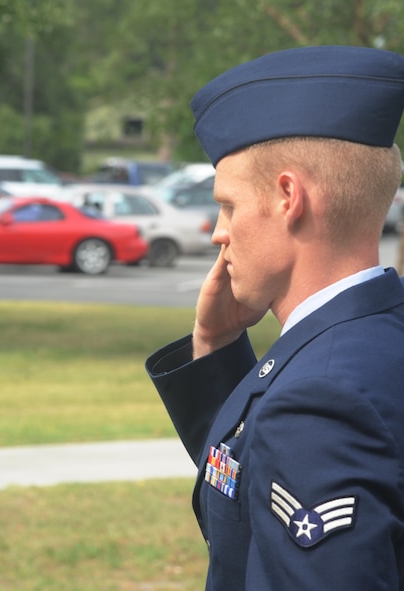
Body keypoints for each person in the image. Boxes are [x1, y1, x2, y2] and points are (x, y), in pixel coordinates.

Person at [145, 46, 404, 589]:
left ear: (289, 197)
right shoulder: (379, 340)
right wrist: (216, 344)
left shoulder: (320, 404)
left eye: (229, 206)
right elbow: (252, 493)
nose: (218, 232)